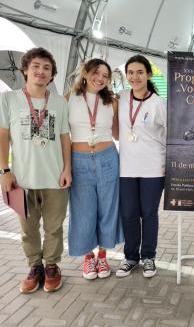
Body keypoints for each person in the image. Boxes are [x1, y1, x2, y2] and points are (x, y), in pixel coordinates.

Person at [0, 47, 71, 293]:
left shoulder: (59, 102)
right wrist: (5, 171)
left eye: (46, 68)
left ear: (52, 75)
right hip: (22, 180)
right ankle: (35, 266)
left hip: (55, 178)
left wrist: (67, 168)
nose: (41, 71)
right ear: (25, 69)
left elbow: (65, 137)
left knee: (54, 227)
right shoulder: (8, 99)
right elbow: (2, 136)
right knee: (27, 228)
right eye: (36, 66)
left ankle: (52, 267)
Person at [66, 58, 122, 280]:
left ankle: (103, 255)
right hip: (79, 159)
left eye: (105, 76)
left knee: (108, 208)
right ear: (86, 73)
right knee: (83, 209)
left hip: (107, 157)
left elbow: (118, 134)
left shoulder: (112, 102)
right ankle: (88, 258)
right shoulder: (69, 99)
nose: (100, 78)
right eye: (96, 73)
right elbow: (62, 135)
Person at [115, 55, 166, 278]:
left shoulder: (158, 103)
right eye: (131, 73)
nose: (135, 77)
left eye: (139, 72)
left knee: (148, 213)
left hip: (153, 168)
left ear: (148, 74)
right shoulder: (121, 97)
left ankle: (148, 257)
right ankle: (130, 257)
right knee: (129, 214)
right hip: (126, 168)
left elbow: (168, 136)